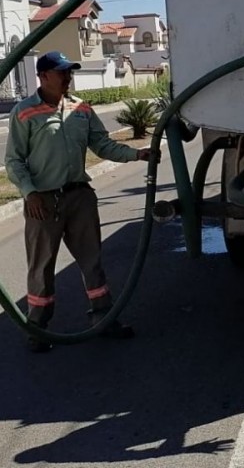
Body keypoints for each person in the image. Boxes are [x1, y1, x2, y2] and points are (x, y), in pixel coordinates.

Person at [5, 51, 158, 352]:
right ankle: (38, 328)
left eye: (69, 72)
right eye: (62, 72)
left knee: (93, 261)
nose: (68, 78)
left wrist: (135, 154)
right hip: (42, 202)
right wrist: (29, 192)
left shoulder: (81, 109)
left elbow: (101, 144)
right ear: (44, 76)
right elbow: (14, 161)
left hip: (79, 198)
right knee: (42, 267)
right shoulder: (24, 112)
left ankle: (103, 319)